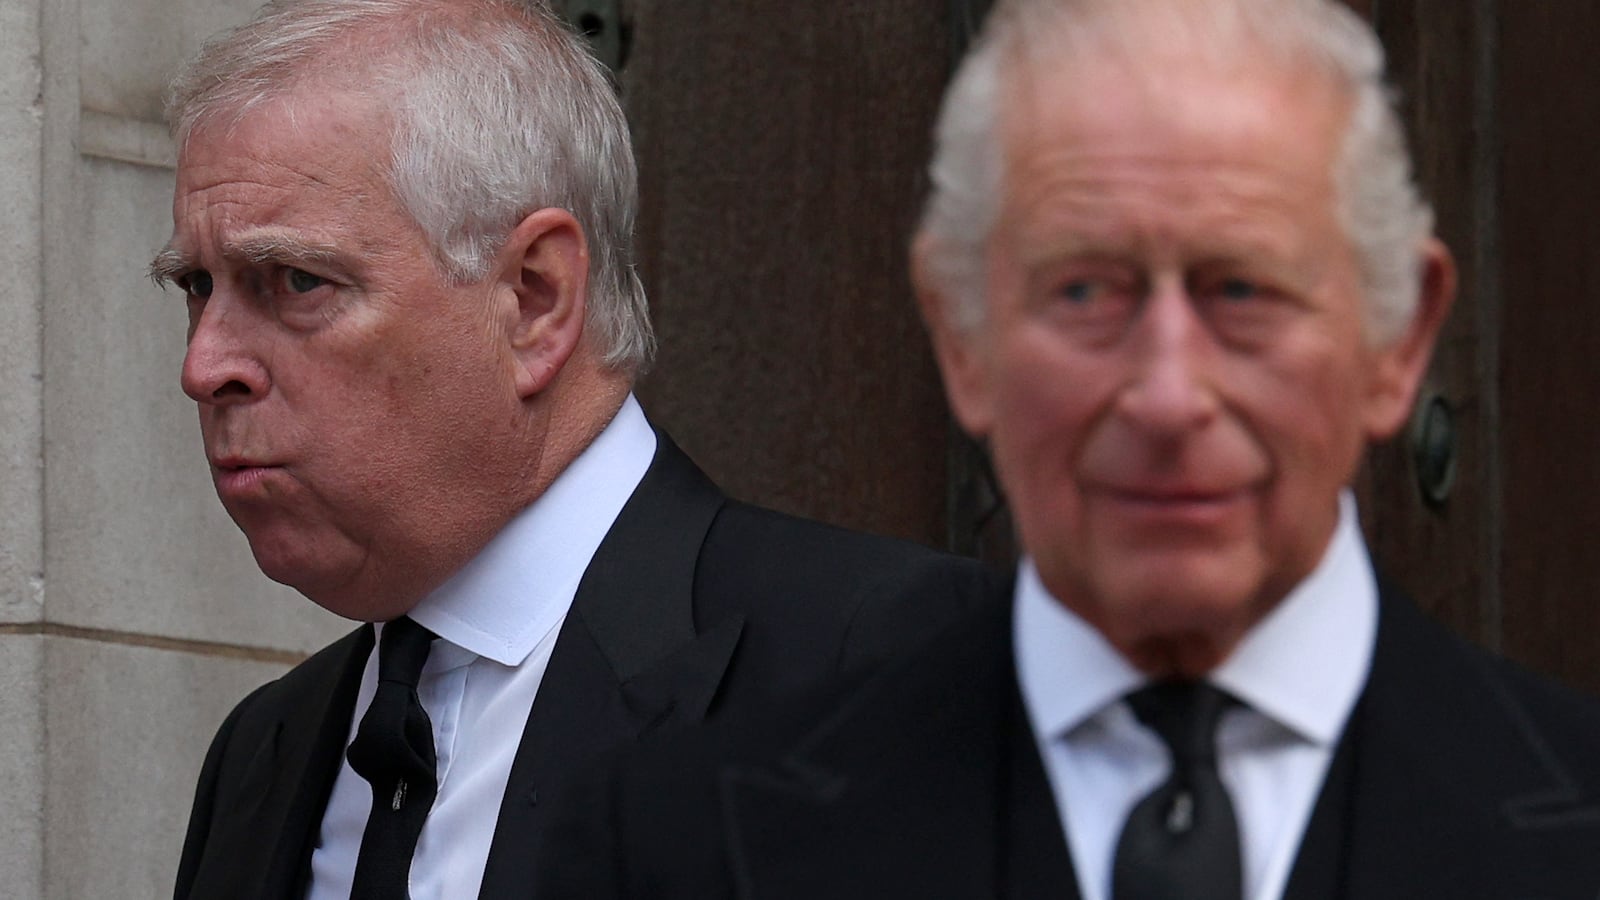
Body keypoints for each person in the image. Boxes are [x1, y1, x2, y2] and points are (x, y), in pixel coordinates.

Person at [535, 0, 1600, 897]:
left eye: (1244, 291)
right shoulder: (681, 853)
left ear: (1398, 342)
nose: (1167, 394)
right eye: (1085, 291)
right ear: (961, 338)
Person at [153, 1, 992, 897]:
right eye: (200, 286)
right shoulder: (263, 755)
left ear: (535, 298)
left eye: (295, 281)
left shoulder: (895, 669)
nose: (204, 366)